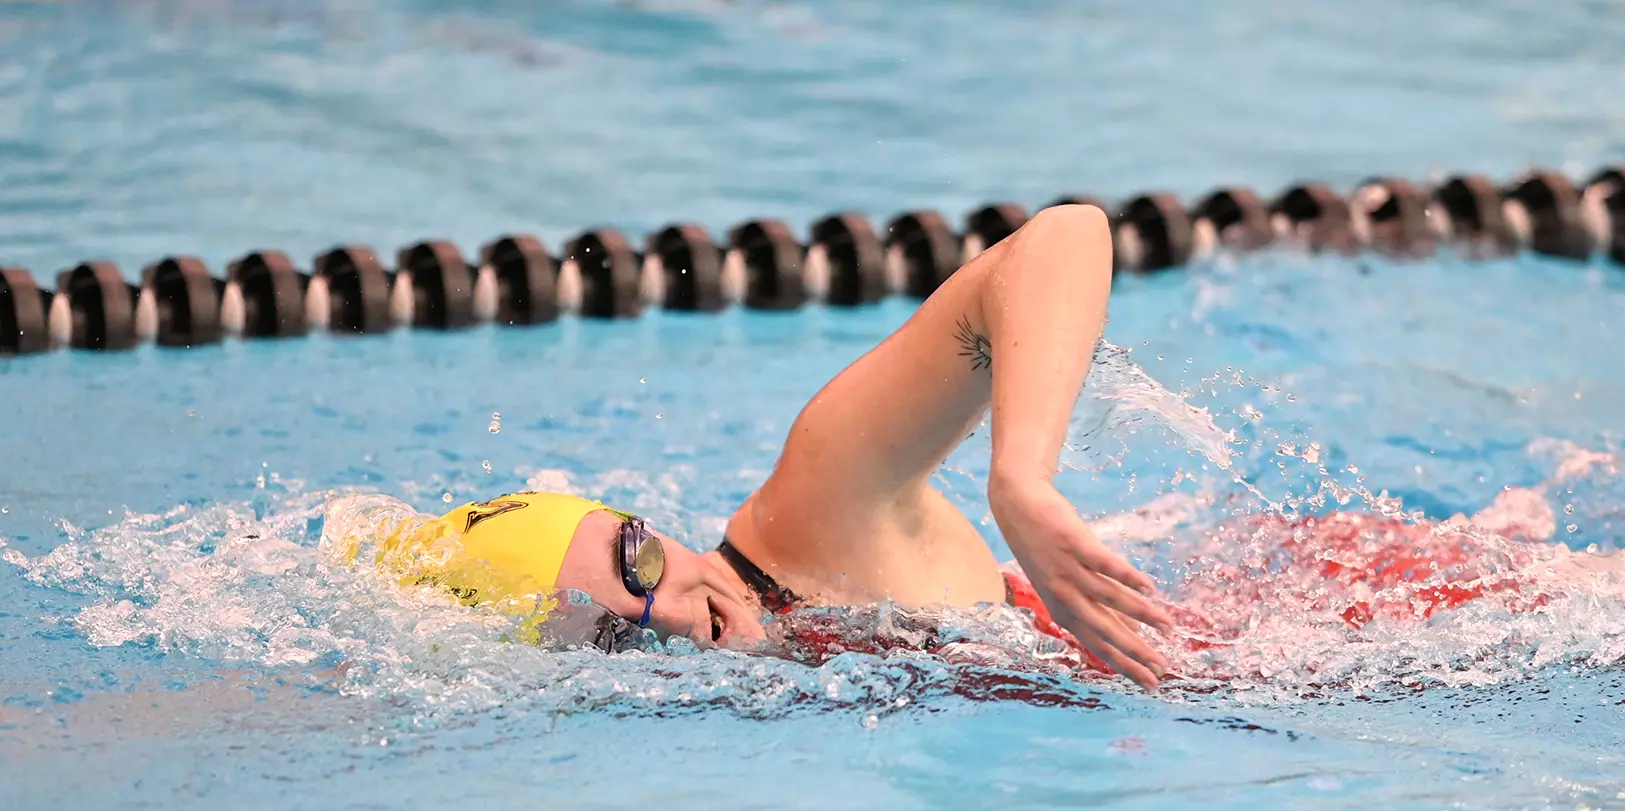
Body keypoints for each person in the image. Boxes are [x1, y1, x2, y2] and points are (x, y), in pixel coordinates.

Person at [368, 205, 1179, 688]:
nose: (673, 617)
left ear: (642, 522)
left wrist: (1021, 478)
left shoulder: (817, 511)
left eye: (638, 565)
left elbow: (1067, 235)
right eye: (607, 637)